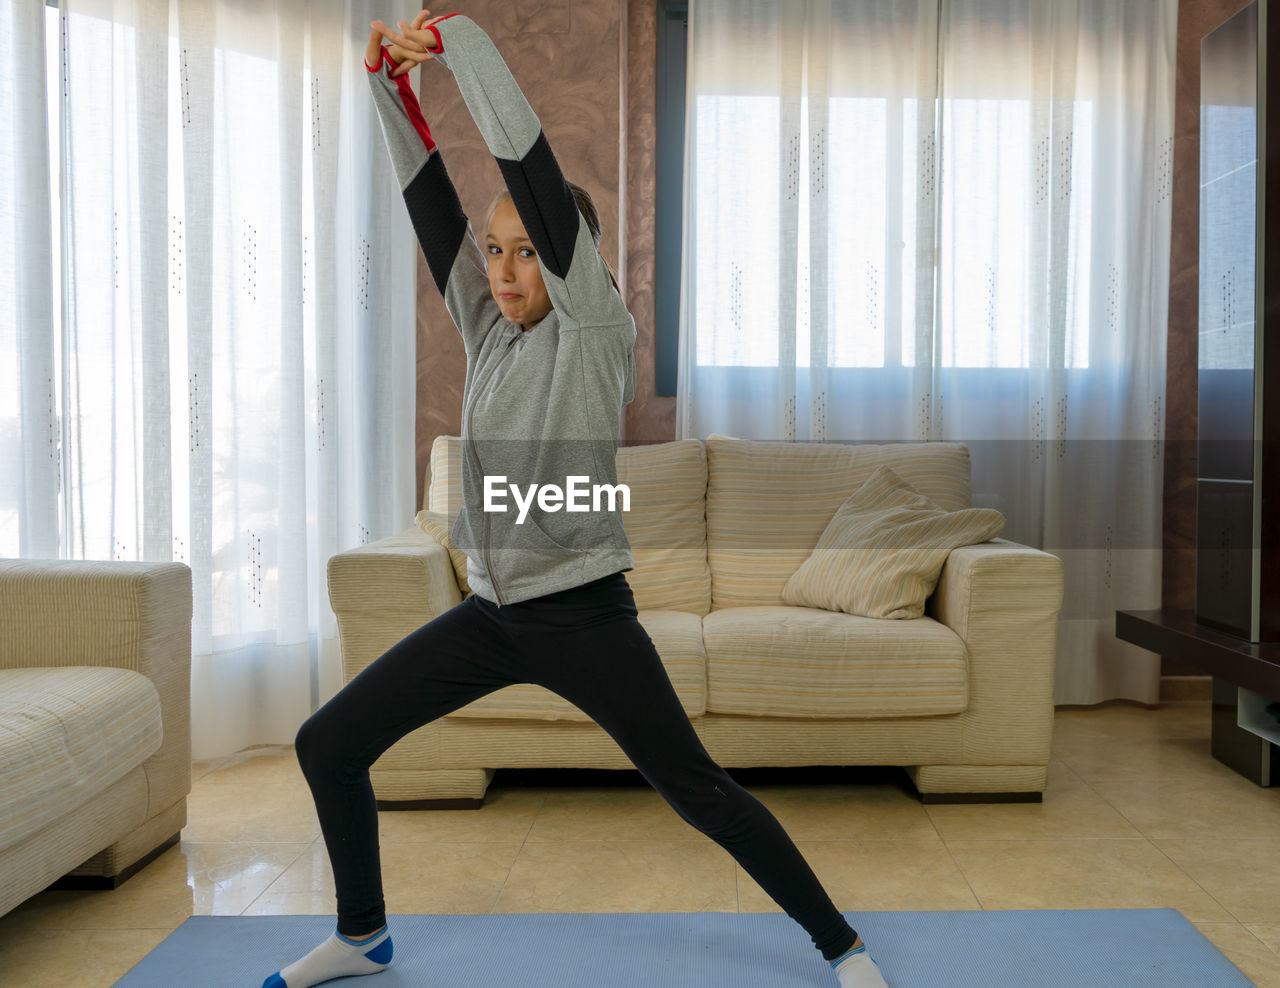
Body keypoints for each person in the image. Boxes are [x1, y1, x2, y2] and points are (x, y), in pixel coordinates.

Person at [261, 10, 889, 988]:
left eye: (526, 250)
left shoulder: (597, 331)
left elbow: (528, 164)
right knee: (326, 741)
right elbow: (432, 206)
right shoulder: (489, 332)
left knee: (697, 792)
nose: (505, 270)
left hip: (584, 619)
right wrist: (389, 85)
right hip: (490, 617)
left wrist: (458, 38)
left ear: (572, 266)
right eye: (498, 250)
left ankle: (839, 943)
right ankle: (363, 933)